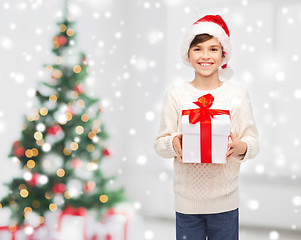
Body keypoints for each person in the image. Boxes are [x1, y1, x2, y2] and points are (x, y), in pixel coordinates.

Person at [154, 15, 259, 240]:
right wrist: (173, 143)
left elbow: (254, 144)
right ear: (188, 54)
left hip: (225, 202)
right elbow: (159, 145)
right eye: (198, 49)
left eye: (213, 49)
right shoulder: (176, 95)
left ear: (224, 54)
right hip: (187, 202)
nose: (205, 56)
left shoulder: (237, 96)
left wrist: (240, 146)